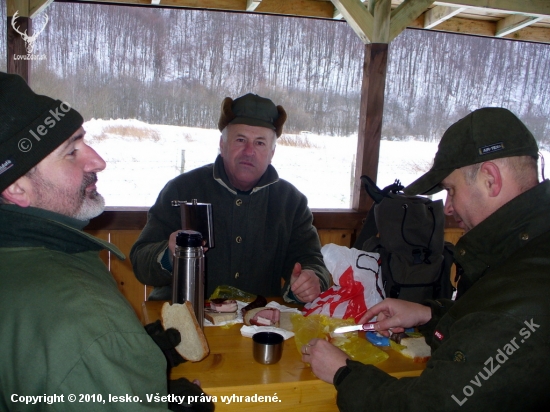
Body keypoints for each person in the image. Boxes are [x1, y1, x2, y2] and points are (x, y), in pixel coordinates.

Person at [301, 107, 550, 410]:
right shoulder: (526, 247)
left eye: (451, 190)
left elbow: (433, 405)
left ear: (490, 179)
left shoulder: (524, 294)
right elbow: (487, 317)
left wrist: (343, 373)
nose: (447, 208)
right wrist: (428, 314)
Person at [0, 72, 211, 412]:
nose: (98, 161)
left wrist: (129, 359)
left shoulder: (19, 258)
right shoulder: (84, 315)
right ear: (16, 188)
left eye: (84, 141)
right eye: (71, 152)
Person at [130, 93, 330, 303]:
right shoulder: (182, 189)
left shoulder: (292, 202)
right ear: (222, 144)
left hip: (255, 325)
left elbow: (311, 261)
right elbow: (140, 262)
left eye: (260, 143)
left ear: (272, 152)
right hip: (180, 322)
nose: (249, 151)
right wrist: (171, 255)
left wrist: (311, 280)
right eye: (240, 139)